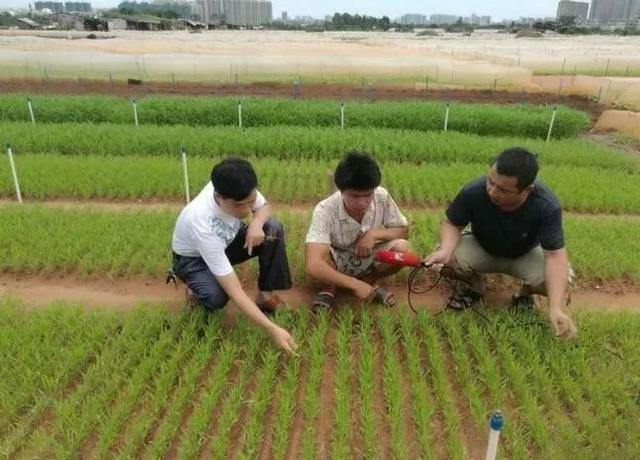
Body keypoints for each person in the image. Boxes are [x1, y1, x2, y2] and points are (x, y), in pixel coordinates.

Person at [424, 147, 577, 339]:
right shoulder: (474, 191)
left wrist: (554, 308)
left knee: (558, 283)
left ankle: (524, 294)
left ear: (527, 189)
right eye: (490, 182)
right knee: (443, 261)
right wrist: (446, 249)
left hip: (524, 253)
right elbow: (452, 223)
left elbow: (555, 256)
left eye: (503, 190)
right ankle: (475, 286)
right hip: (483, 246)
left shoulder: (546, 205)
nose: (492, 191)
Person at [171, 157, 297, 353]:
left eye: (251, 201)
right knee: (217, 296)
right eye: (240, 206)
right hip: (194, 259)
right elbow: (235, 290)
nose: (248, 210)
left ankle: (265, 296)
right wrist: (272, 329)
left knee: (272, 229)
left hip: (226, 241)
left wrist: (256, 224)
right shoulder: (201, 222)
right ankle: (195, 289)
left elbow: (263, 207)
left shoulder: (240, 183)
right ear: (219, 197)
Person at [305, 151, 410, 310]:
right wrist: (354, 285)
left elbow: (402, 230)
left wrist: (374, 234)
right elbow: (313, 265)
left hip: (368, 255)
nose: (362, 203)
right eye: (354, 196)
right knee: (321, 255)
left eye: (368, 195)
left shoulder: (382, 196)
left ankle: (369, 281)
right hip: (337, 258)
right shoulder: (325, 209)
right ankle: (330, 287)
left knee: (403, 251)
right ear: (341, 191)